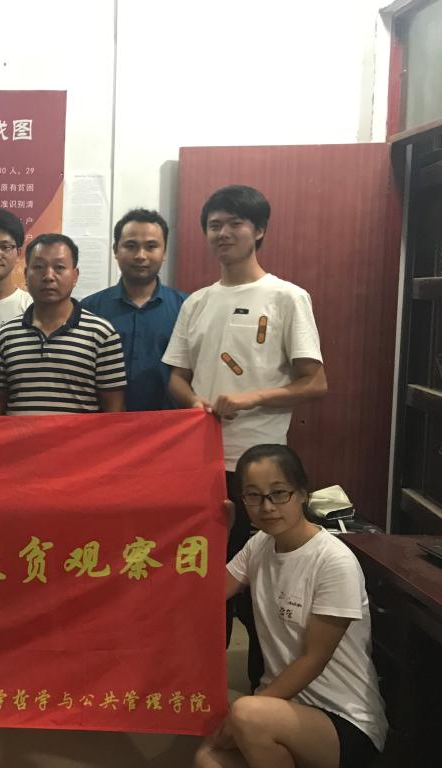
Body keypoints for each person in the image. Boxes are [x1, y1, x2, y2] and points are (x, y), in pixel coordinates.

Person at [162, 185, 327, 690]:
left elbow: (314, 382)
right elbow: (176, 377)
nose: (223, 233)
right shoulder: (197, 302)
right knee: (203, 579)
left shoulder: (286, 297)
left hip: (259, 470)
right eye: (214, 224)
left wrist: (251, 398)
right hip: (200, 466)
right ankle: (201, 688)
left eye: (235, 223)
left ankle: (265, 686)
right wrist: (193, 402)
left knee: (262, 584)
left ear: (259, 230)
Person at [193, 444, 386, 768]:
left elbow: (314, 659)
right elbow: (207, 596)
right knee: (208, 759)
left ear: (302, 493)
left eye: (279, 493)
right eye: (253, 496)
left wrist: (249, 711)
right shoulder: (259, 545)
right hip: (282, 707)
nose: (267, 506)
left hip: (342, 720)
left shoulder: (333, 561)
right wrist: (218, 534)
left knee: (246, 715)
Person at [0, 233, 126, 414]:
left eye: (59, 267)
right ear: (26, 274)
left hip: (80, 435)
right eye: (39, 267)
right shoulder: (6, 336)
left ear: (75, 276)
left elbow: (114, 409)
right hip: (19, 434)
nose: (48, 276)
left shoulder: (102, 335)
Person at [80, 208, 186, 411]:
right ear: (115, 250)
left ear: (164, 252)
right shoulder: (89, 309)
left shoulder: (186, 308)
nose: (140, 256)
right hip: (104, 423)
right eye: (131, 246)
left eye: (151, 246)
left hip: (169, 424)